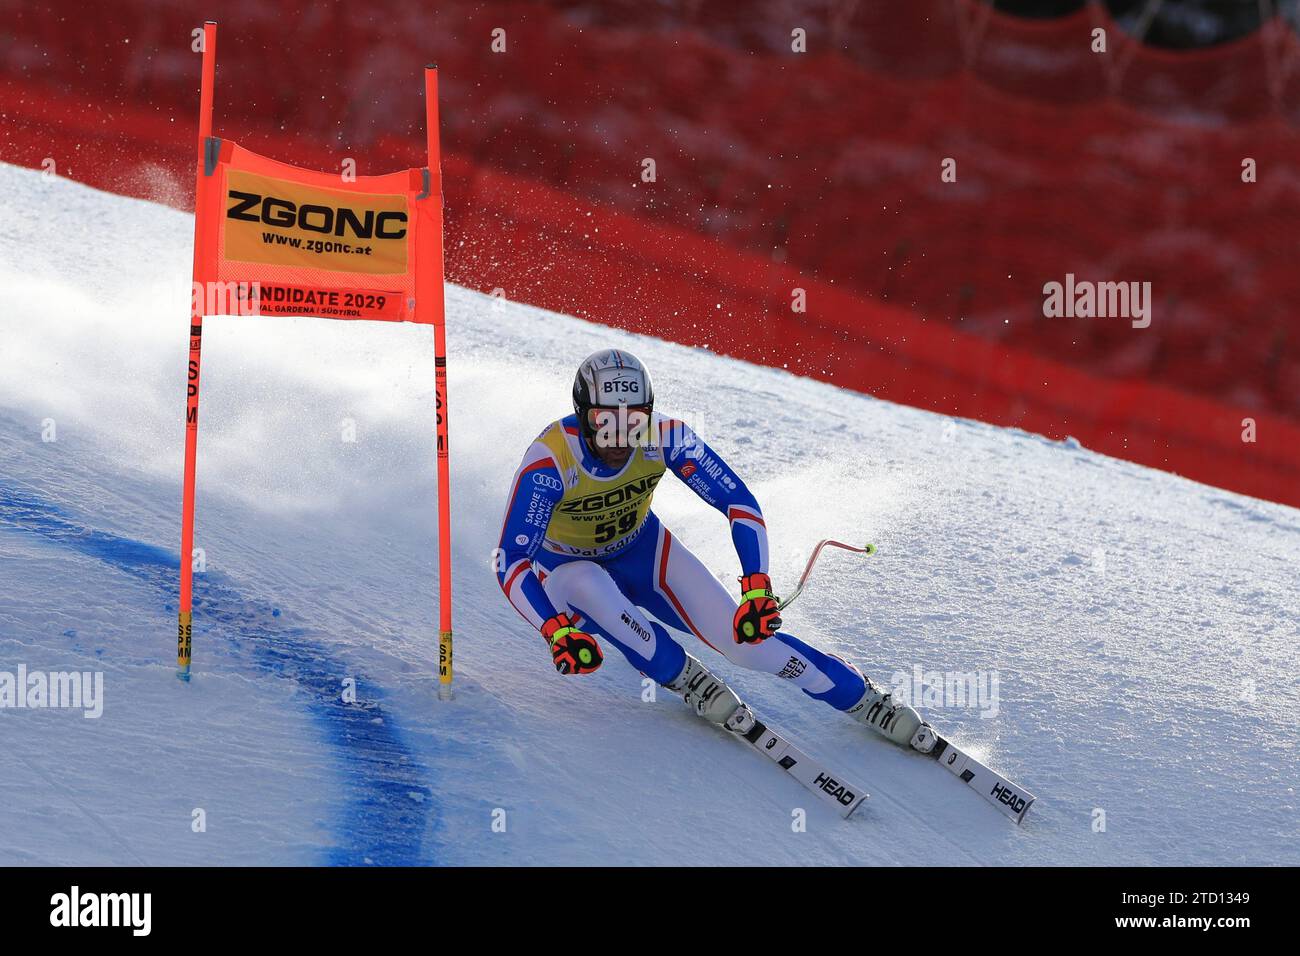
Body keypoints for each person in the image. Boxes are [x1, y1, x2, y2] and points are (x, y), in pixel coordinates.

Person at [495, 348, 931, 751]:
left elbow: (738, 503)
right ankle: (681, 677)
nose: (620, 435)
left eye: (634, 419)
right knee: (596, 592)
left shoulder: (665, 436)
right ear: (583, 414)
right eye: (605, 421)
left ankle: (863, 698)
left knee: (748, 645)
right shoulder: (551, 463)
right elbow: (510, 561)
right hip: (568, 570)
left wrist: (757, 587)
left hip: (644, 551)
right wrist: (554, 630)